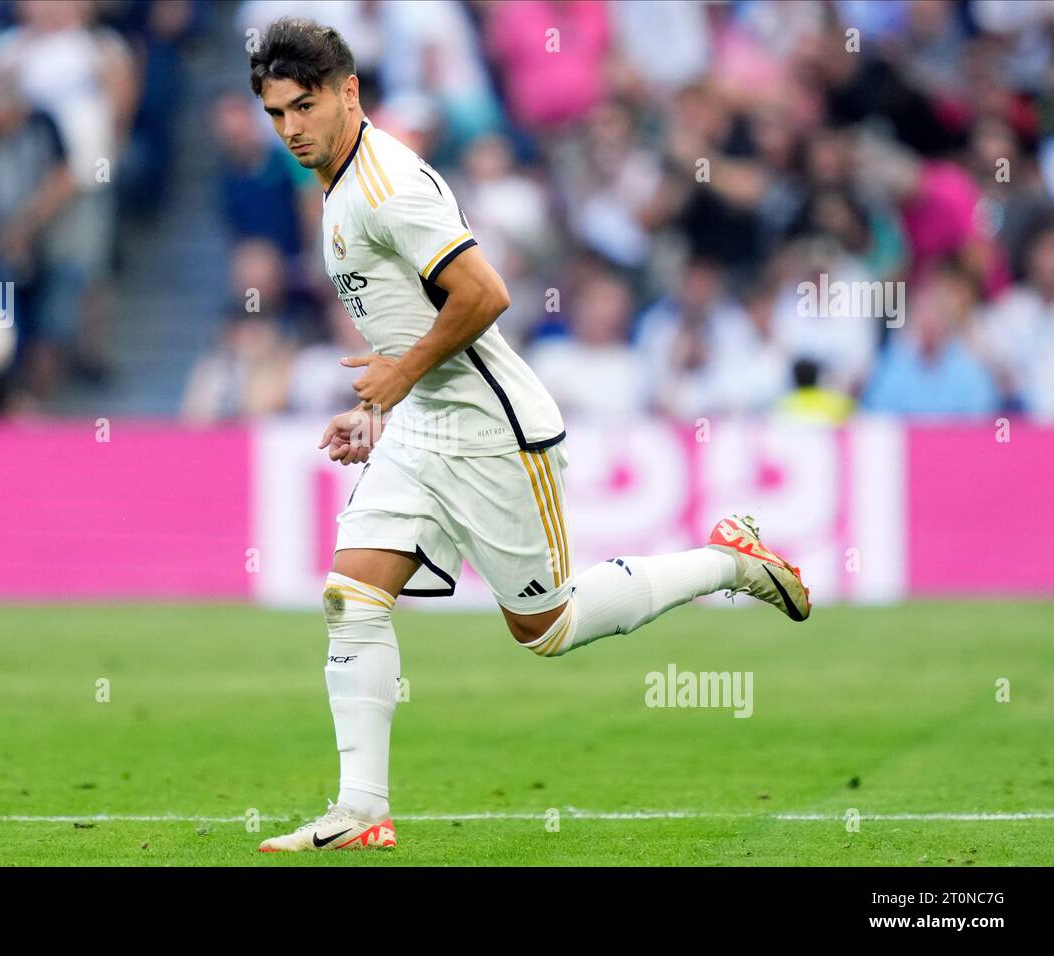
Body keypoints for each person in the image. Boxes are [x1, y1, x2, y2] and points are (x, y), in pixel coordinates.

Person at [247, 18, 811, 853]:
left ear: (349, 92)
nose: (291, 128)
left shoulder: (387, 183)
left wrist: (397, 382)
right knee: (351, 598)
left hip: (490, 432)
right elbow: (417, 324)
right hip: (423, 428)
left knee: (547, 627)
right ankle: (362, 806)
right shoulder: (333, 183)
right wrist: (381, 403)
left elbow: (485, 294)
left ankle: (732, 558)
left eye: (304, 106)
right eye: (275, 113)